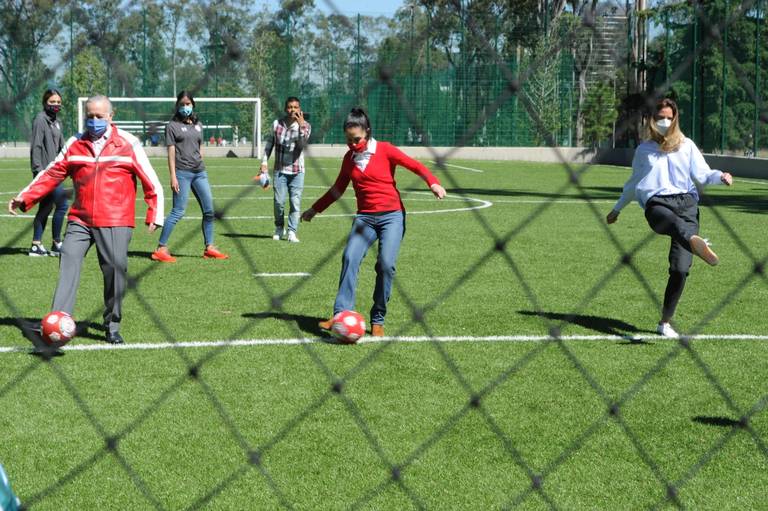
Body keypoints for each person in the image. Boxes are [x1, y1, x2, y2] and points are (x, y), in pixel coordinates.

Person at [8, 95, 165, 344]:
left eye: (99, 117)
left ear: (111, 117)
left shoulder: (128, 143)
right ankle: (58, 322)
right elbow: (51, 173)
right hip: (80, 219)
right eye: (89, 116)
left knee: (114, 271)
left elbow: (151, 180)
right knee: (68, 260)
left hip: (115, 219)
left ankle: (112, 325)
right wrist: (24, 198)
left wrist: (154, 212)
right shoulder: (75, 143)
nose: (93, 121)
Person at [301, 108, 446, 337]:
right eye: (348, 140)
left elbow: (415, 166)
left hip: (392, 217)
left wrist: (433, 183)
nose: (352, 144)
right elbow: (337, 190)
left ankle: (378, 318)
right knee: (350, 257)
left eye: (356, 139)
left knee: (386, 265)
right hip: (365, 219)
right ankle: (341, 315)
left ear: (367, 132)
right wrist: (314, 209)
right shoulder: (349, 160)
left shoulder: (385, 150)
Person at [606, 98, 733, 338]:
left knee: (680, 269)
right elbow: (633, 184)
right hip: (657, 205)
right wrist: (617, 209)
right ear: (651, 121)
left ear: (675, 119)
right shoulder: (644, 150)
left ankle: (664, 323)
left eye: (668, 117)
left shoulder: (687, 145)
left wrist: (721, 177)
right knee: (672, 225)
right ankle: (695, 240)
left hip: (686, 204)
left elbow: (704, 174)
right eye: (659, 118)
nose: (664, 122)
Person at [151, 91, 228, 263]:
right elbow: (171, 152)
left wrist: (200, 159)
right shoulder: (172, 126)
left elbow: (199, 145)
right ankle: (161, 248)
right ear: (177, 106)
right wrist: (173, 176)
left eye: (188, 104)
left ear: (193, 105)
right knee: (178, 211)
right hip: (182, 173)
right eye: (182, 104)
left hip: (200, 173)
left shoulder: (198, 124)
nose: (185, 107)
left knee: (209, 211)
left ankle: (209, 247)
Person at [257, 96, 311, 243]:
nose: (292, 110)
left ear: (299, 109)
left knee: (295, 202)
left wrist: (301, 126)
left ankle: (292, 231)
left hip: (297, 171)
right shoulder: (277, 124)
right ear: (285, 108)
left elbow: (302, 144)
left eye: (295, 107)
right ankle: (279, 228)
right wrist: (264, 162)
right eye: (289, 107)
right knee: (279, 202)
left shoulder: (306, 125)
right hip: (280, 170)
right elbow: (270, 144)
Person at [28, 88, 69, 257]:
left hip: (56, 171)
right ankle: (56, 242)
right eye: (52, 102)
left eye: (58, 102)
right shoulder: (40, 119)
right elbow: (36, 145)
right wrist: (37, 170)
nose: (56, 105)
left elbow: (62, 146)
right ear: (45, 102)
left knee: (46, 207)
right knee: (62, 204)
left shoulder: (56, 121)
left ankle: (36, 245)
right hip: (45, 172)